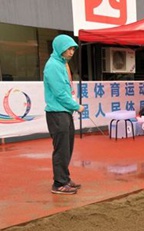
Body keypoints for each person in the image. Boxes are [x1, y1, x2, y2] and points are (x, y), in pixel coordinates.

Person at [44, 34, 85, 195]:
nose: (72, 51)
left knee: (67, 148)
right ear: (60, 48)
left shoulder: (62, 64)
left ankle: (65, 178)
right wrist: (76, 106)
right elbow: (60, 93)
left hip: (64, 112)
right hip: (57, 113)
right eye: (69, 48)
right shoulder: (53, 66)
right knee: (61, 149)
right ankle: (59, 183)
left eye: (73, 48)